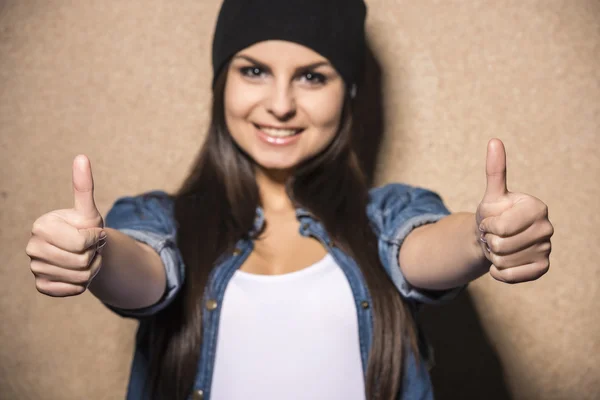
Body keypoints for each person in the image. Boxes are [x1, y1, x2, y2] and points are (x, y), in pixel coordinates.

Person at [25, 0, 554, 399]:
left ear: (346, 91)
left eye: (311, 76)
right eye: (253, 70)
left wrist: (483, 237)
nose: (280, 104)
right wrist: (93, 256)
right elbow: (142, 269)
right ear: (221, 83)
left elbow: (423, 247)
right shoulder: (159, 220)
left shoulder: (386, 214)